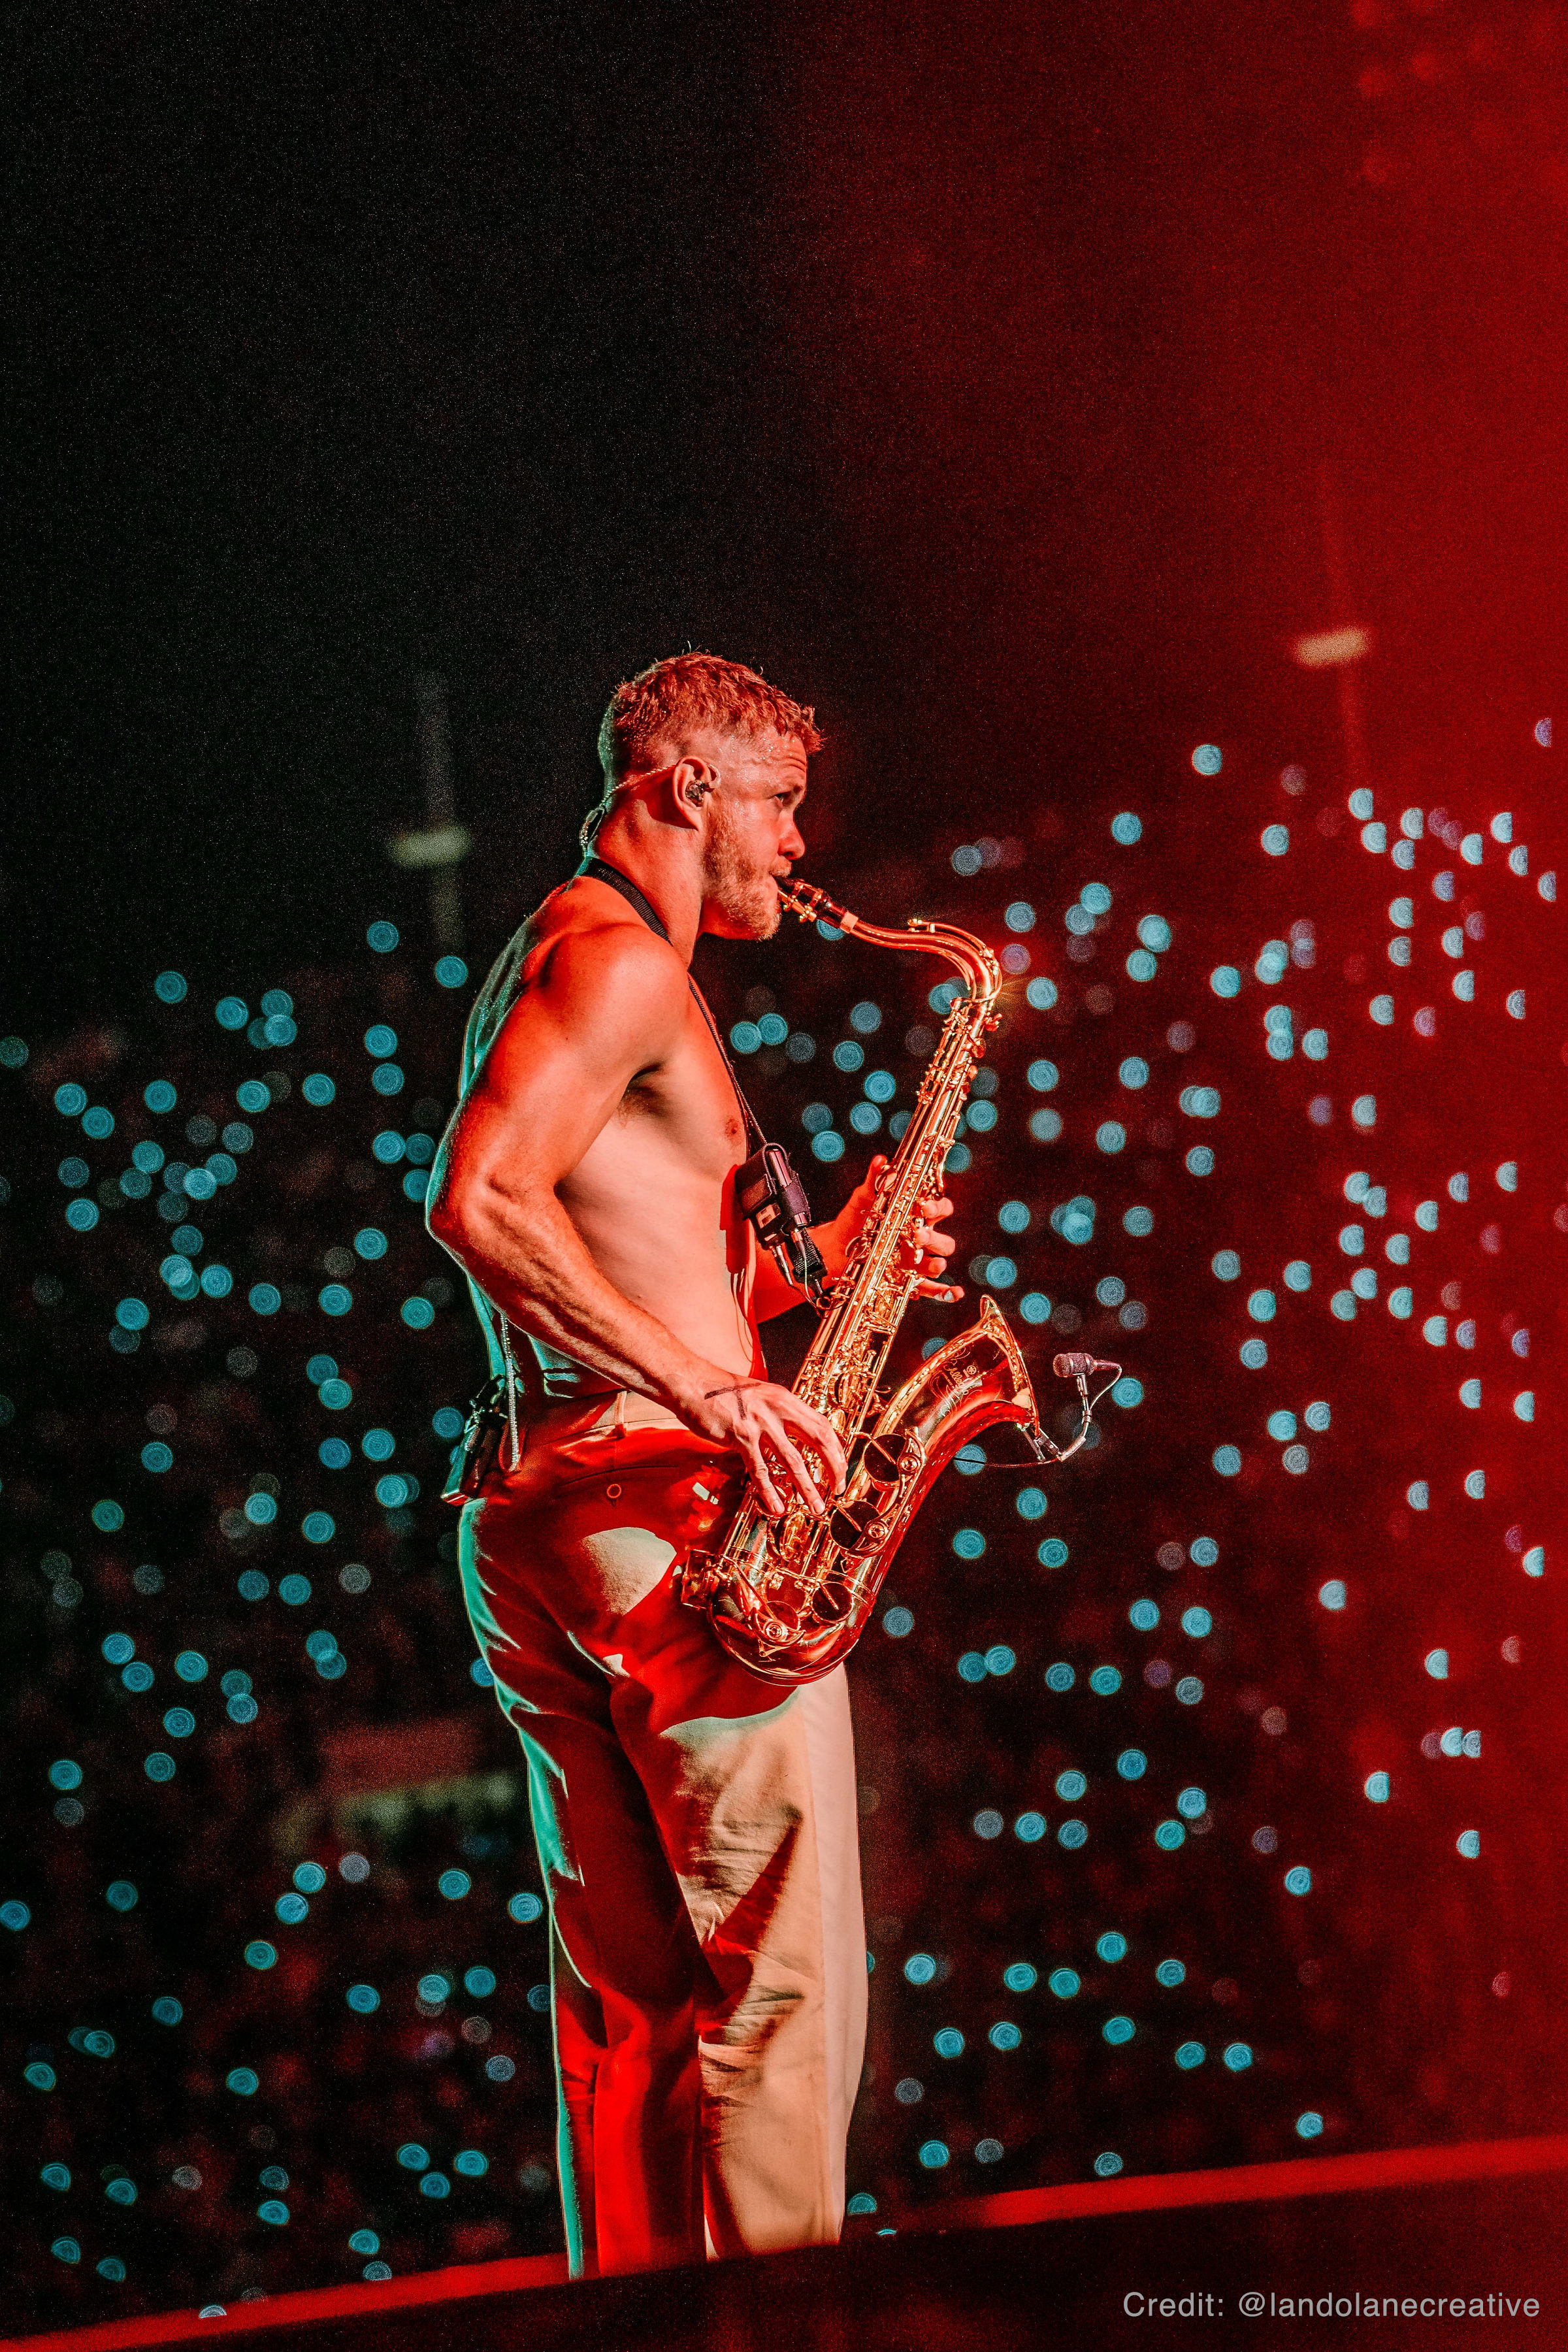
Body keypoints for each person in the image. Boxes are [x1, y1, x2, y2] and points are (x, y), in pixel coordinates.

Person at [426, 652, 960, 2277]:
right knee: (783, 1997)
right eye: (782, 802)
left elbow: (607, 1247)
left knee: (635, 2018)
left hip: (547, 1512)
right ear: (687, 789)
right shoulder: (622, 965)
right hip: (666, 1518)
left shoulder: (563, 952)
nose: (799, 842)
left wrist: (830, 1264)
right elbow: (478, 1199)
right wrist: (714, 1391)